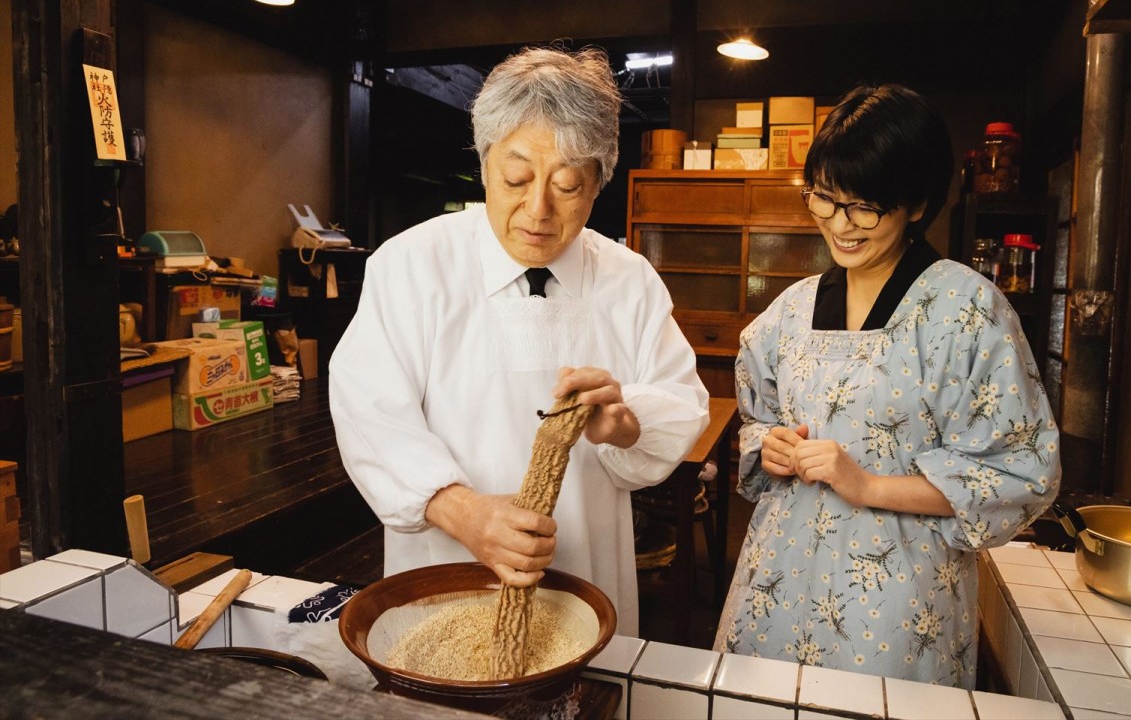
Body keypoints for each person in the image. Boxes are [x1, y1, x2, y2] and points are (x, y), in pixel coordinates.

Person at [329, 45, 709, 637]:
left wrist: (624, 424)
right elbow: (368, 411)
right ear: (484, 166)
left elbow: (682, 404)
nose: (538, 210)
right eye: (516, 178)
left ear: (599, 184)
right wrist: (464, 511)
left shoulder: (629, 280)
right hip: (445, 566)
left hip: (588, 573)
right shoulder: (410, 266)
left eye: (567, 187)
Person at [714, 84, 1060, 687]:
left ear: (918, 204)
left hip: (897, 611)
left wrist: (868, 483)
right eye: (824, 200)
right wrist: (769, 446)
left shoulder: (967, 311)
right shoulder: (790, 312)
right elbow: (756, 423)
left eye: (864, 207)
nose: (840, 225)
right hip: (774, 589)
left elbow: (1020, 473)